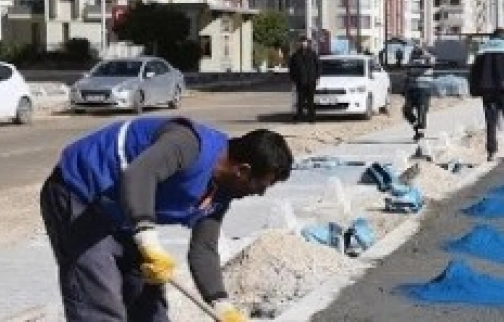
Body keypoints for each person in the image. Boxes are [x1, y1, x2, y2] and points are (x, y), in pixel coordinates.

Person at [40, 116, 293, 322]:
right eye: (261, 185)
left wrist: (221, 305)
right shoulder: (187, 144)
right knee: (99, 303)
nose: (260, 193)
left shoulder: (222, 192)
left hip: (123, 213)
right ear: (242, 170)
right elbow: (139, 175)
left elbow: (203, 249)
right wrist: (149, 243)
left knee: (150, 308)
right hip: (80, 195)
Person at [468, 27, 504, 161]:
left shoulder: (482, 48)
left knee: (491, 121)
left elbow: (474, 70)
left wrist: (474, 89)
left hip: (487, 89)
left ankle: (491, 152)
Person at [403, 54, 436, 141]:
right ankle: (417, 128)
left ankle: (420, 134)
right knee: (407, 111)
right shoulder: (411, 59)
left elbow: (431, 63)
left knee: (421, 113)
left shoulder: (428, 58)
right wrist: (405, 89)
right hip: (411, 89)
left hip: (424, 90)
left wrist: (425, 56)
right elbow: (407, 74)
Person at [289, 35, 321, 123]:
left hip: (311, 81)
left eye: (305, 41)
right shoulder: (295, 55)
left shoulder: (313, 54)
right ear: (299, 43)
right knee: (300, 101)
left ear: (307, 43)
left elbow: (318, 66)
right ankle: (299, 118)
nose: (303, 43)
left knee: (310, 101)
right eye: (302, 42)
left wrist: (317, 78)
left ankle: (312, 118)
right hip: (300, 81)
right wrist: (293, 80)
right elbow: (291, 69)